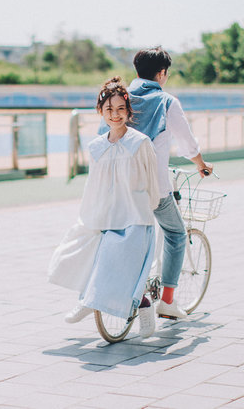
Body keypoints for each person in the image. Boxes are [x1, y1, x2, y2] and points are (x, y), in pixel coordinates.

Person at [48, 76, 161, 338]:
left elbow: (152, 181)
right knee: (82, 253)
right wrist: (89, 218)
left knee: (119, 262)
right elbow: (93, 187)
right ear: (100, 112)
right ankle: (89, 300)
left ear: (128, 111)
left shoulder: (140, 143)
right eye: (109, 109)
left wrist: (149, 208)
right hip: (106, 215)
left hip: (135, 216)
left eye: (121, 109)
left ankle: (138, 307)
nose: (115, 115)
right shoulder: (97, 147)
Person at [125, 46, 213, 320]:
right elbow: (187, 143)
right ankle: (167, 301)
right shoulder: (166, 101)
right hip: (155, 185)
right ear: (162, 73)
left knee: (127, 234)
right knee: (175, 235)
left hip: (120, 183)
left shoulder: (122, 97)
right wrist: (201, 165)